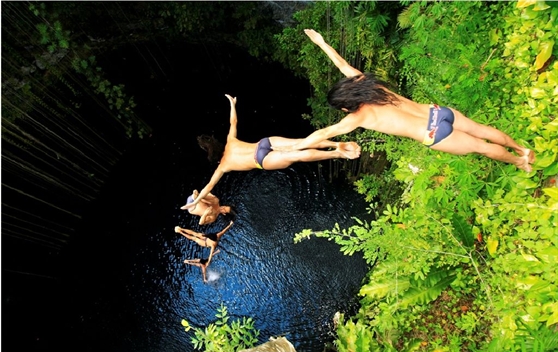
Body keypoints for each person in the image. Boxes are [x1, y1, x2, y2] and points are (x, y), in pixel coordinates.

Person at [281, 29, 535, 172]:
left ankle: (520, 161)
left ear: (346, 106)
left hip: (433, 133)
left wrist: (296, 147)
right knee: (482, 131)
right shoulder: (367, 84)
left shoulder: (358, 117)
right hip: (438, 113)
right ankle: (521, 148)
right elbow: (342, 65)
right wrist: (321, 42)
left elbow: (324, 131)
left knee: (481, 147)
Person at [181, 94, 361, 211]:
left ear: (212, 157)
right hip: (264, 143)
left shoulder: (223, 167)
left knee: (297, 155)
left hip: (261, 159)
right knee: (301, 142)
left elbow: (209, 187)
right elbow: (233, 122)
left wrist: (195, 202)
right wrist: (232, 104)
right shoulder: (230, 142)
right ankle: (337, 144)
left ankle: (338, 154)